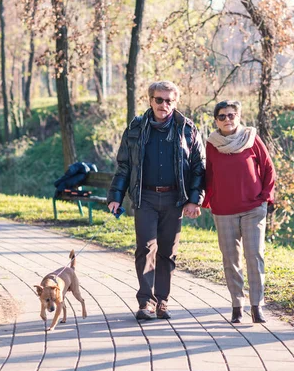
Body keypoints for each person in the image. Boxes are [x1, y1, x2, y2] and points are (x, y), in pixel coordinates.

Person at [107, 81, 205, 320]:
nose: (164, 105)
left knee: (168, 252)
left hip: (174, 198)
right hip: (145, 197)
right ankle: (145, 303)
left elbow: (198, 168)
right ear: (150, 100)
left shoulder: (187, 129)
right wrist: (116, 197)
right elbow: (124, 166)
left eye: (169, 100)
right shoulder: (136, 128)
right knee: (145, 248)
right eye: (159, 100)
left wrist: (194, 200)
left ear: (175, 102)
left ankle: (162, 300)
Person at [203, 100, 276, 324]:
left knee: (254, 255)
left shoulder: (252, 139)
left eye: (231, 115)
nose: (227, 119)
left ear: (239, 116)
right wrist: (208, 201)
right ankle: (237, 305)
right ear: (216, 120)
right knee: (230, 259)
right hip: (224, 210)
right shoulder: (212, 144)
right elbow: (209, 175)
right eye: (222, 116)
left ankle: (257, 306)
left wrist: (265, 198)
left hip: (253, 208)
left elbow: (268, 168)